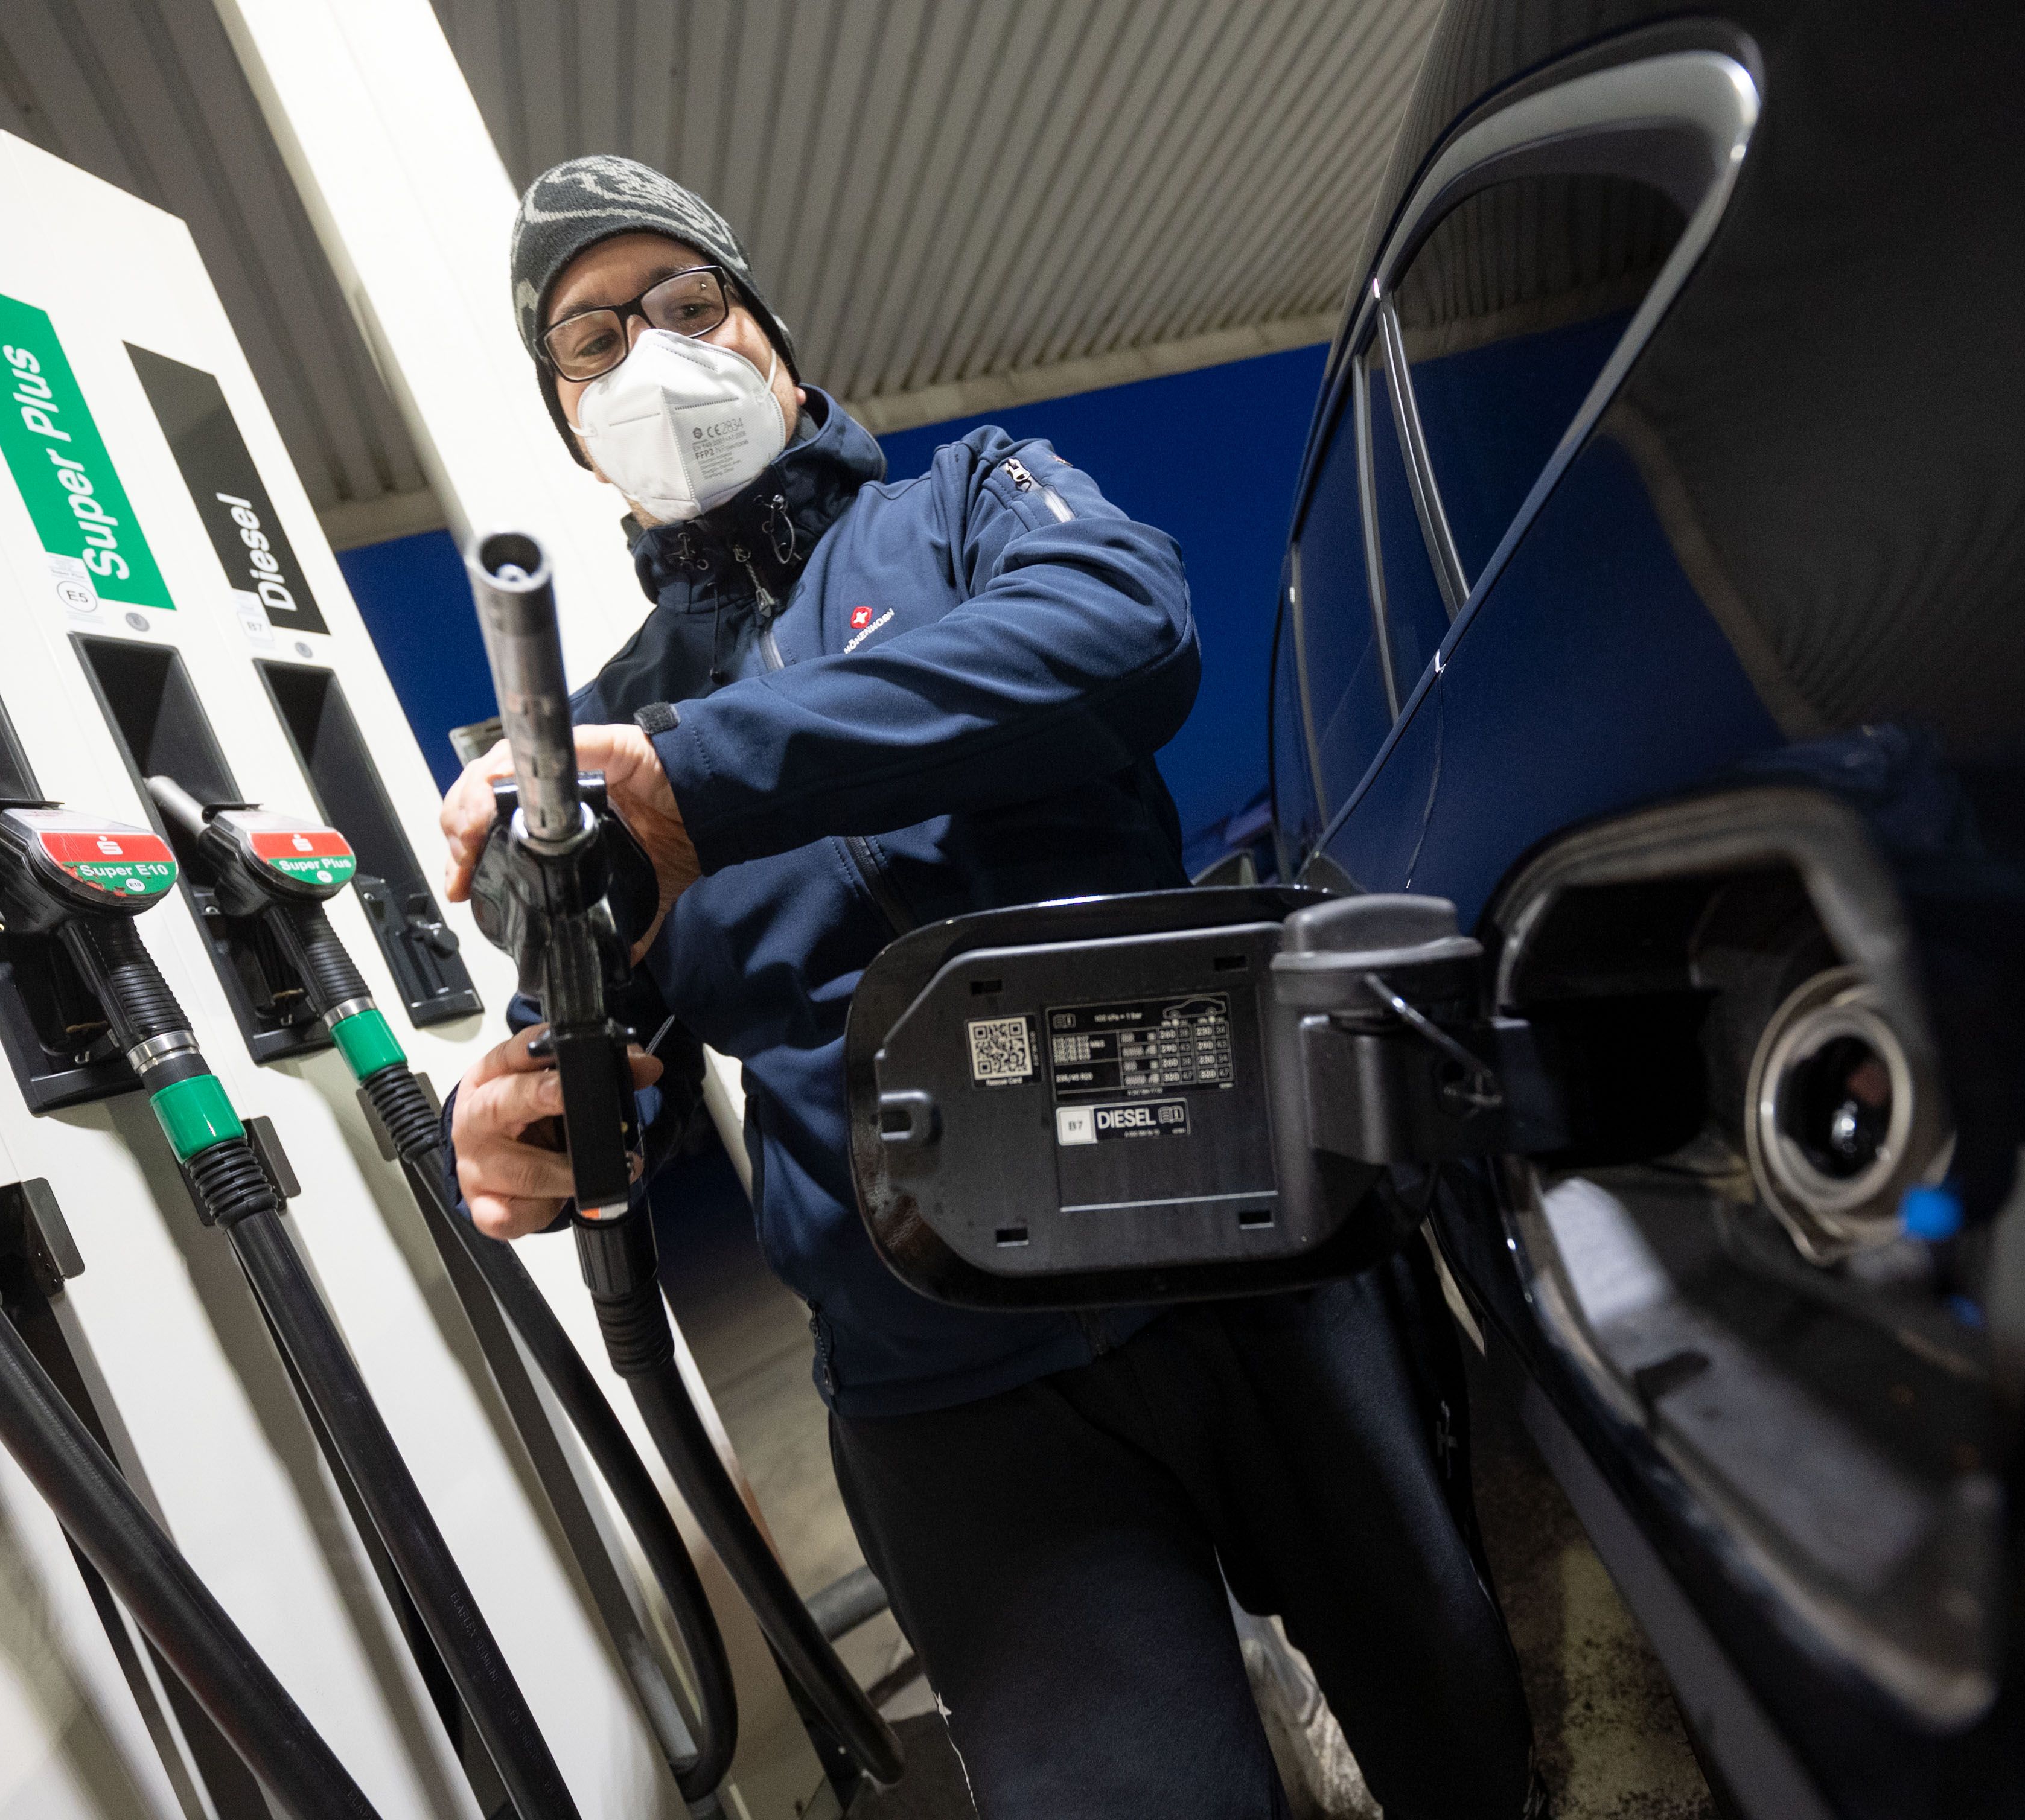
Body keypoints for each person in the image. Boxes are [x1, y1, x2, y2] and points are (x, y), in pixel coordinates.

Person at [439, 154, 1540, 1819]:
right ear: (566, 419)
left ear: (775, 344)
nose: (651, 354)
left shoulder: (970, 505)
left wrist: (708, 776)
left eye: (687, 303)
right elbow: (615, 1063)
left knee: (1458, 1736)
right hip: (945, 1389)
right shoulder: (597, 739)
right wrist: (536, 1113)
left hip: (1241, 1257)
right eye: (593, 341)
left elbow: (1123, 636)